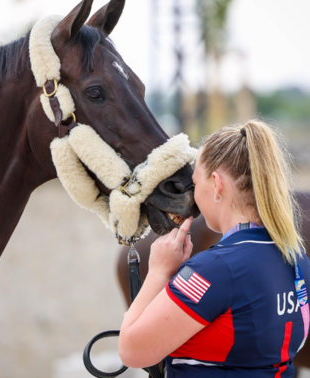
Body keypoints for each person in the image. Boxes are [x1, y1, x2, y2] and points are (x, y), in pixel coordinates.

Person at [118, 120, 310, 377]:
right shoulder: (299, 262)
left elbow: (132, 350)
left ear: (217, 184)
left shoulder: (212, 269)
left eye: (196, 184)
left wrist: (158, 272)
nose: (195, 197)